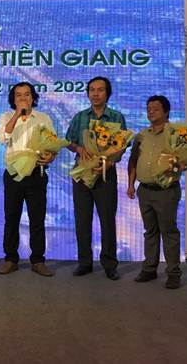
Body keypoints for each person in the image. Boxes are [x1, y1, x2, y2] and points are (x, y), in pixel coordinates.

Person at [66, 76, 126, 280]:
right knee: (82, 220)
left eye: (100, 90)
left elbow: (122, 146)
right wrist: (79, 148)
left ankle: (109, 264)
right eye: (92, 90)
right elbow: (69, 141)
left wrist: (110, 162)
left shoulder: (116, 117)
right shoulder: (80, 117)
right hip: (82, 174)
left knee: (107, 220)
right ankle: (84, 262)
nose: (96, 93)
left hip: (106, 174)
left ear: (107, 93)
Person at [0, 82, 57, 277]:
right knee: (11, 218)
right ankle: (10, 259)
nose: (23, 98)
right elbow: (3, 138)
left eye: (27, 94)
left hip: (37, 173)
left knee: (37, 218)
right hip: (13, 174)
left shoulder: (43, 118)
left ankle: (38, 260)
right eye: (18, 95)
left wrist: (51, 156)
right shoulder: (6, 117)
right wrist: (17, 114)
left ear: (33, 97)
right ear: (13, 99)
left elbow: (52, 143)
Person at [127, 95, 184, 289]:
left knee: (168, 231)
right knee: (150, 231)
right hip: (145, 190)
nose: (151, 112)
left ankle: (173, 272)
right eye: (148, 108)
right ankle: (149, 268)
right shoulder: (142, 135)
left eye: (155, 109)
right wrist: (130, 184)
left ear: (166, 111)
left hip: (166, 191)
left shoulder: (176, 134)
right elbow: (133, 161)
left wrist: (180, 166)